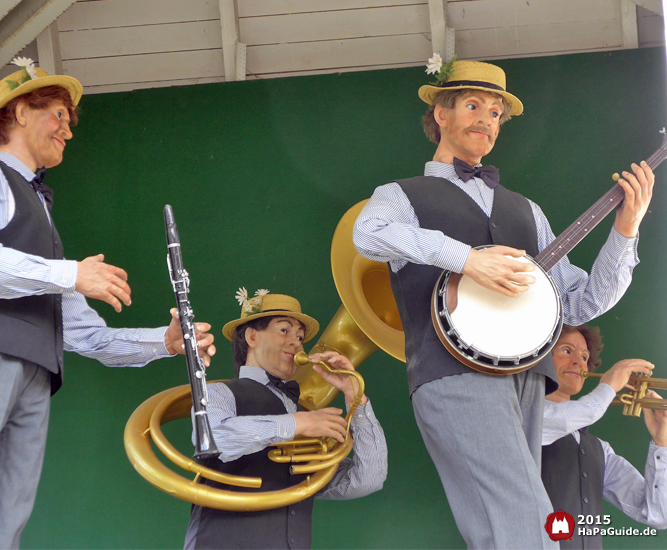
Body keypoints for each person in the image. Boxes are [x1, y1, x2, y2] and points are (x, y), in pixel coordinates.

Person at [352, 58, 655, 547]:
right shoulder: (399, 195)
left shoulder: (525, 210)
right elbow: (367, 234)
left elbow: (578, 303)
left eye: (495, 113)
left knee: (501, 529)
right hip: (453, 375)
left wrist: (625, 230)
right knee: (525, 519)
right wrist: (468, 260)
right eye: (473, 106)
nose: (486, 120)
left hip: (528, 379)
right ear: (441, 116)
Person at [0, 59, 216, 550]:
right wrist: (72, 273)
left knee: (4, 525)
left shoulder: (43, 215)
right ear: (18, 112)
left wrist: (165, 343)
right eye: (57, 114)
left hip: (35, 374)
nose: (67, 131)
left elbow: (87, 335)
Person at [184, 290, 387, 550]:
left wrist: (354, 396)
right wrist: (298, 424)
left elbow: (369, 478)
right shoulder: (219, 392)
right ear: (252, 336)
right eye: (284, 331)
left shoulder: (301, 410)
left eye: (300, 336)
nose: (297, 343)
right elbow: (214, 439)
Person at [542, 324, 667, 548]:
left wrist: (662, 443)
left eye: (584, 356)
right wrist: (609, 386)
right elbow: (564, 418)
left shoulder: (599, 450)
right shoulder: (520, 417)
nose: (579, 363)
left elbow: (658, 514)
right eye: (567, 351)